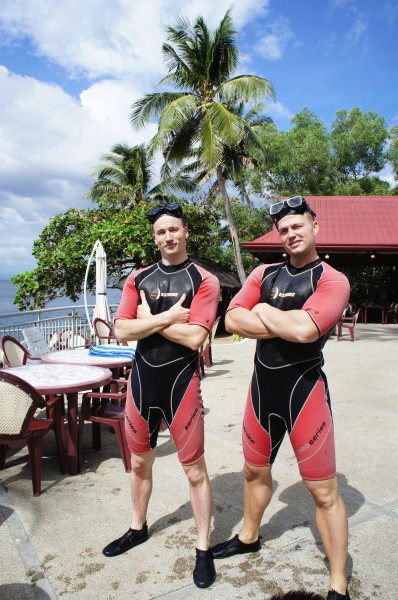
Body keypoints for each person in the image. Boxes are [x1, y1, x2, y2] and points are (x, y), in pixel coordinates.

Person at [211, 197, 351, 600]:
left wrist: (265, 312)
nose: (291, 234)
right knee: (253, 472)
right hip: (262, 392)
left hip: (305, 393)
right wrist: (284, 320)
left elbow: (307, 332)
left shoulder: (332, 279)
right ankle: (249, 536)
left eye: (298, 226)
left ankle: (338, 582)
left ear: (314, 227)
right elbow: (231, 319)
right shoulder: (263, 272)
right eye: (284, 229)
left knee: (323, 492)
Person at [102, 202, 220, 589]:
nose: (167, 237)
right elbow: (121, 331)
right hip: (142, 384)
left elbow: (196, 338)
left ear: (186, 232)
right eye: (160, 232)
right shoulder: (138, 278)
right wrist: (169, 317)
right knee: (139, 465)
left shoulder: (204, 280)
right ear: (154, 238)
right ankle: (138, 527)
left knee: (194, 470)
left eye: (173, 230)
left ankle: (203, 548)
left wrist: (146, 321)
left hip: (181, 385)